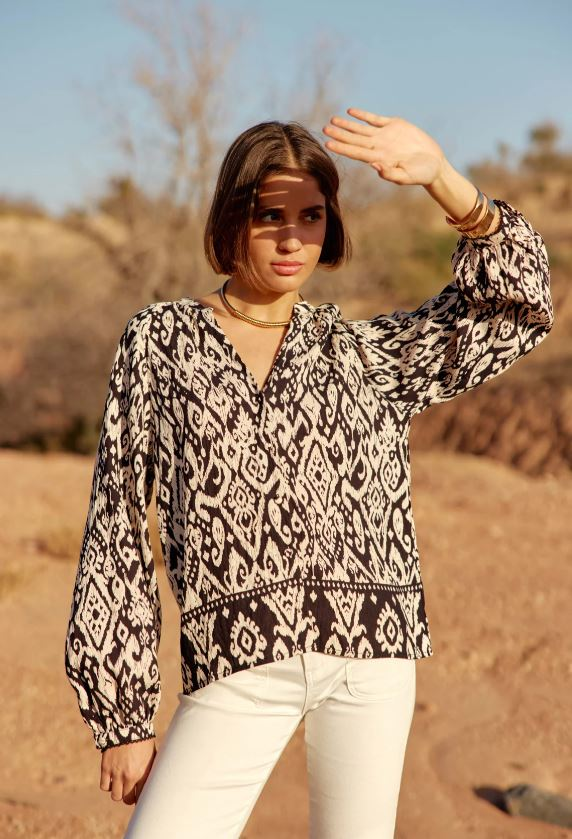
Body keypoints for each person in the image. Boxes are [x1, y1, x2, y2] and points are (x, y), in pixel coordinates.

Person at [64, 108, 554, 838]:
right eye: (271, 216)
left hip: (371, 663)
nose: (293, 238)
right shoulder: (161, 342)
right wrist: (123, 713)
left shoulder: (364, 354)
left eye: (312, 216)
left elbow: (519, 308)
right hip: (238, 664)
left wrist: (445, 181)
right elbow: (117, 526)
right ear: (232, 217)